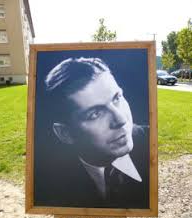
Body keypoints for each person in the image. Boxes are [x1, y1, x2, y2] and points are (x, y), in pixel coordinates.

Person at [41, 57, 149, 209]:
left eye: (117, 98)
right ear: (65, 134)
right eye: (95, 114)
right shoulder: (48, 184)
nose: (120, 119)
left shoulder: (152, 145)